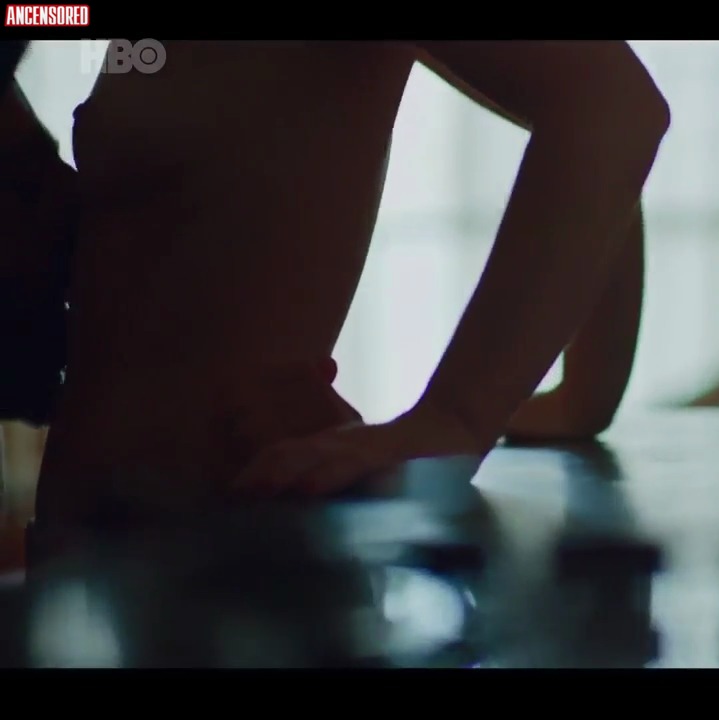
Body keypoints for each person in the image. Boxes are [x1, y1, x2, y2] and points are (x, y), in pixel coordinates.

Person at [3, 41, 666, 527]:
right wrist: (578, 400)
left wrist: (456, 417)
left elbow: (611, 110)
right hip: (94, 545)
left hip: (228, 559)